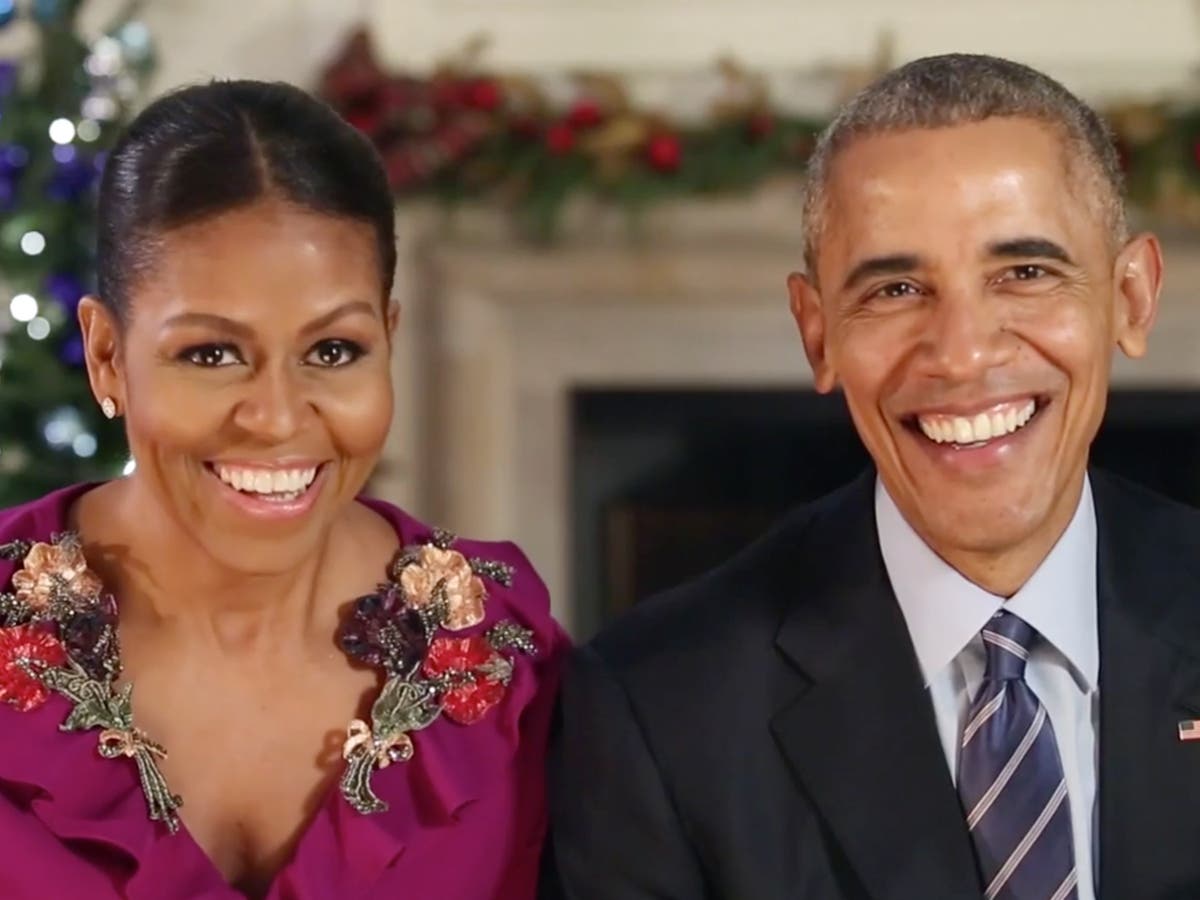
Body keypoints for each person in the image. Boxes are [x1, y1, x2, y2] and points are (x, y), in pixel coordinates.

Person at [548, 53, 1200, 900]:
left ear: (1132, 297)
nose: (963, 354)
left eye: (1026, 273)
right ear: (817, 335)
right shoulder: (658, 711)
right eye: (895, 288)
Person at [0, 80, 566, 899]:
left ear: (389, 340)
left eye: (333, 351)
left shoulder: (507, 662)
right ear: (107, 356)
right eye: (210, 354)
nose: (274, 418)